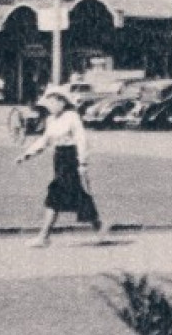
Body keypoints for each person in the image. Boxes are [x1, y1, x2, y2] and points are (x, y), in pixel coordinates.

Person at [16, 88, 109, 247]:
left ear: (62, 102)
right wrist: (27, 154)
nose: (49, 106)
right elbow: (45, 140)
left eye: (52, 102)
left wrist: (82, 162)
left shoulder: (72, 117)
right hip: (59, 158)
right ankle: (100, 227)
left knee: (55, 194)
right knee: (80, 195)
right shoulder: (51, 120)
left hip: (70, 159)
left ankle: (44, 236)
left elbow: (81, 139)